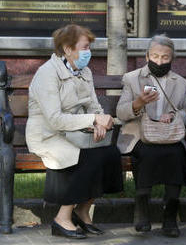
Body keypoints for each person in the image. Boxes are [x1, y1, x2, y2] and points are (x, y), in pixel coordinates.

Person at [25, 24, 123, 239]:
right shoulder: (47, 73)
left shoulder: (84, 71)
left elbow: (94, 106)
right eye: (85, 47)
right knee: (84, 159)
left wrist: (99, 123)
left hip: (76, 134)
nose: (89, 52)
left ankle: (82, 211)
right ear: (68, 49)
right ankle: (62, 219)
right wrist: (93, 119)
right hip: (48, 135)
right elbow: (55, 119)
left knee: (110, 155)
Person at [116, 34, 186, 238]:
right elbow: (121, 112)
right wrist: (138, 103)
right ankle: (142, 209)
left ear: (172, 58)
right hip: (140, 134)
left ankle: (170, 214)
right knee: (148, 153)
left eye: (165, 57)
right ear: (147, 56)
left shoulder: (180, 82)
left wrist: (174, 116)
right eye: (155, 56)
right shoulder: (132, 78)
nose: (159, 61)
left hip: (170, 135)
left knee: (176, 154)